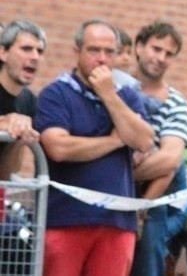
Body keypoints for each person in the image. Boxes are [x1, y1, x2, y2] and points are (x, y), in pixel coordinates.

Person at [34, 19, 155, 276]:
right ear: (76, 52)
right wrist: (114, 141)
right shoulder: (56, 94)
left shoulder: (126, 95)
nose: (101, 59)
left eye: (109, 52)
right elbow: (58, 147)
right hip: (65, 220)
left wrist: (109, 95)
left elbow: (144, 140)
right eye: (93, 50)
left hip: (118, 223)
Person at [130, 21, 187, 276]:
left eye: (169, 54)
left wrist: (141, 208)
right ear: (139, 47)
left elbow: (169, 161)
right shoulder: (113, 86)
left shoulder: (176, 102)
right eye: (156, 49)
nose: (161, 58)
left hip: (152, 200)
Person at [0, 20, 45, 274]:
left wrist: (18, 136)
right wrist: (3, 123)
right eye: (26, 49)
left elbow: (6, 172)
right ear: (3, 52)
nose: (35, 57)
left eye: (39, 51)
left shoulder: (28, 101)